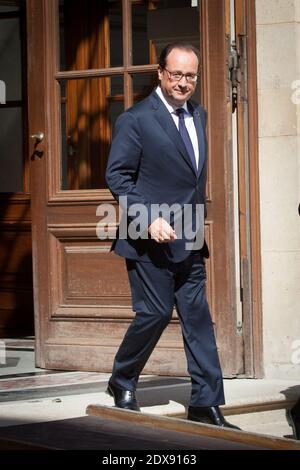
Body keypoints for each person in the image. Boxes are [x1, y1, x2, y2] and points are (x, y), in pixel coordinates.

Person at [105, 43, 239, 429]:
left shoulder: (199, 115)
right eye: (176, 74)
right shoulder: (136, 119)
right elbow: (118, 176)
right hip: (148, 235)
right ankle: (122, 379)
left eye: (191, 76)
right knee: (156, 312)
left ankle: (206, 402)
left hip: (190, 234)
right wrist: (147, 219)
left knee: (198, 318)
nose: (183, 83)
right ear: (160, 73)